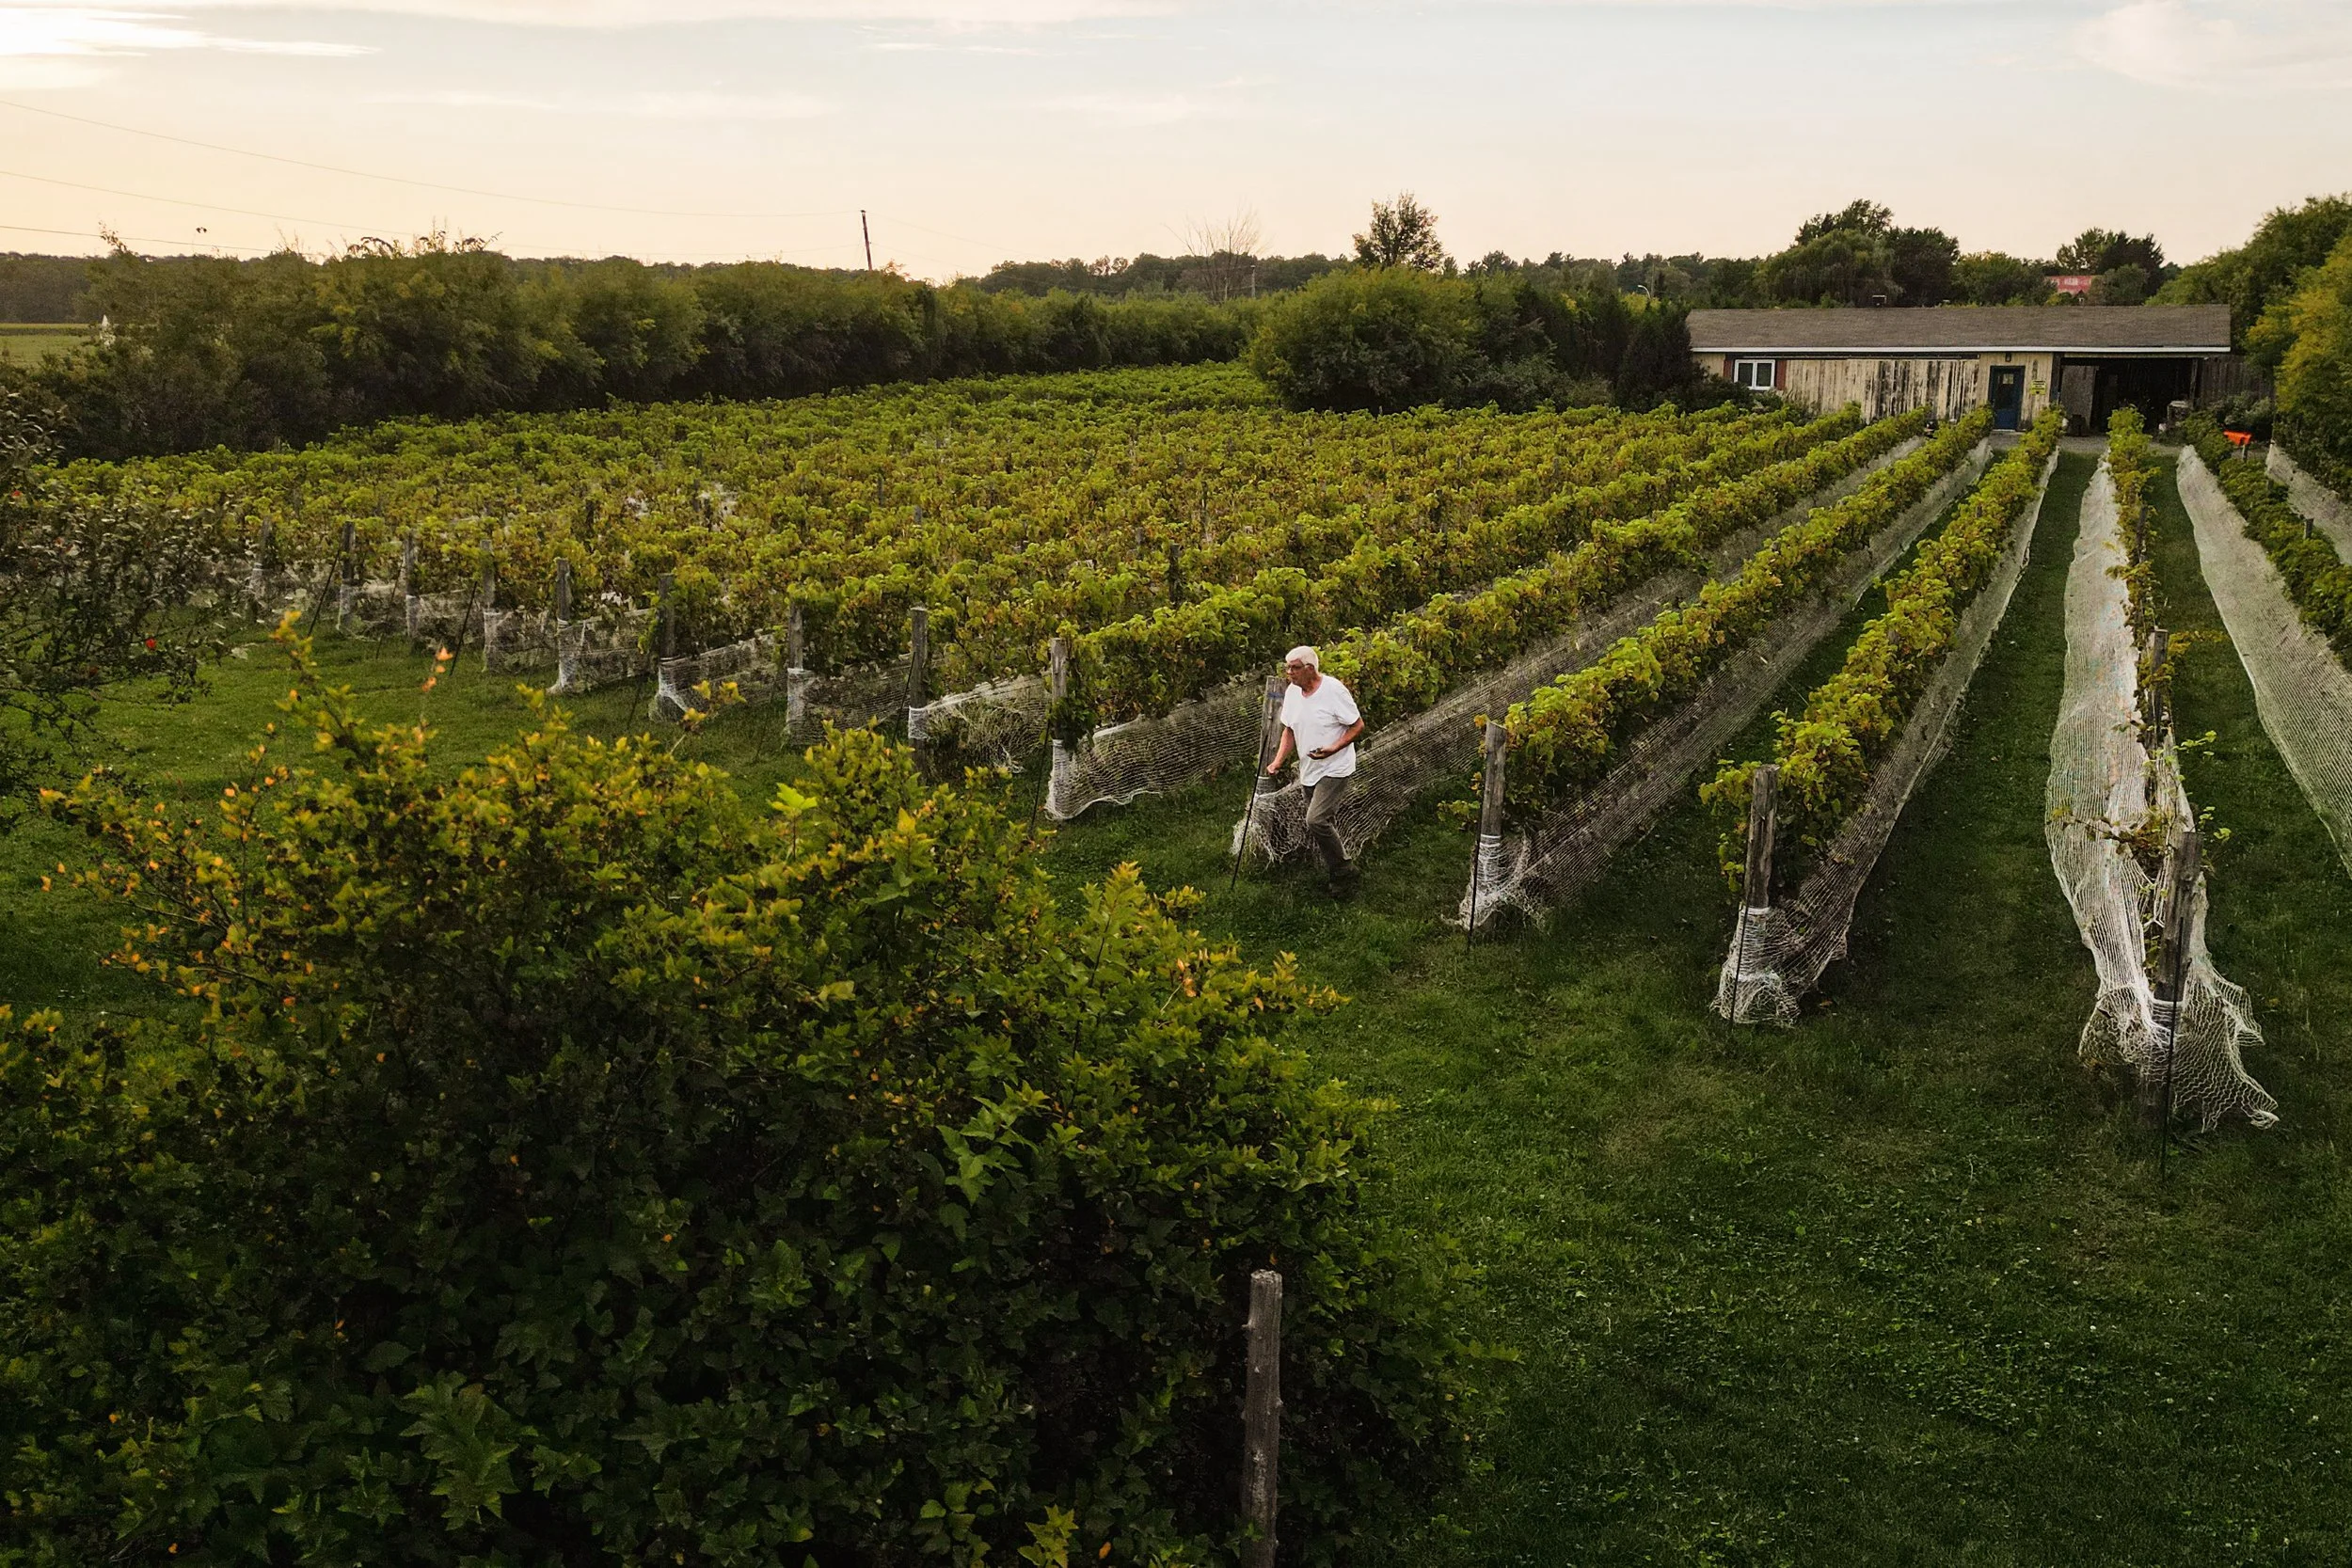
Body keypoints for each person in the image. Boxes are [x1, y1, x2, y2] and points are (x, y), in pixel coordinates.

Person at [1264, 644, 1365, 896]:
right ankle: (1339, 871)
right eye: (1287, 667)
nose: (1289, 672)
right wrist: (1278, 761)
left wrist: (1333, 748)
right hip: (1309, 768)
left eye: (1295, 668)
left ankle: (1343, 871)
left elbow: (1357, 725)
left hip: (1335, 767)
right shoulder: (1293, 693)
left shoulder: (1333, 691)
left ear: (1310, 668)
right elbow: (1289, 729)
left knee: (1316, 820)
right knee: (1322, 823)